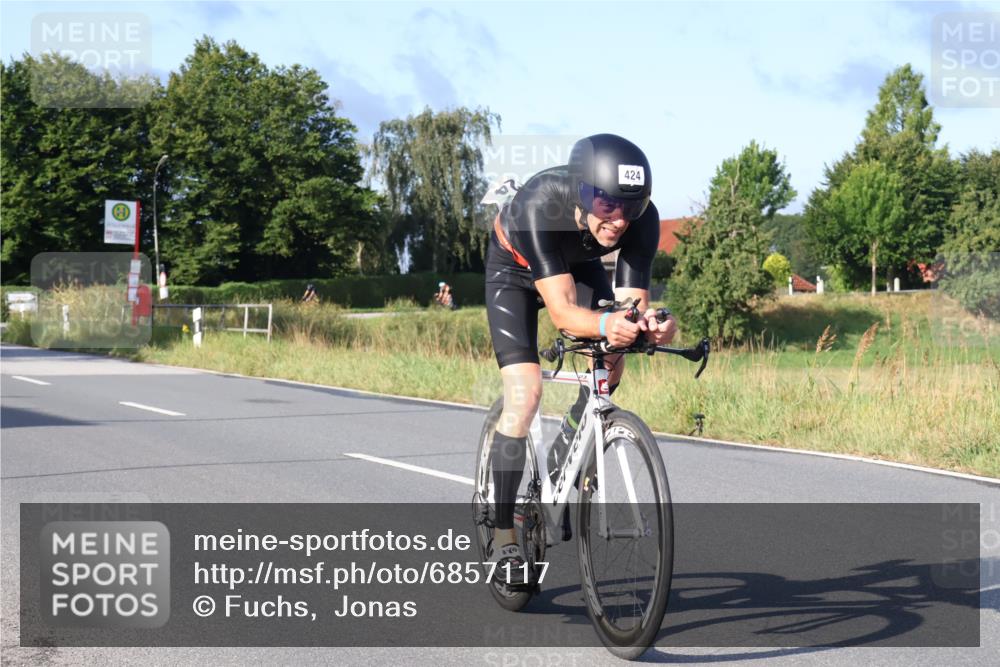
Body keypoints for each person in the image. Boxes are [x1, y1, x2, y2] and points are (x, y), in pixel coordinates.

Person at [483, 133, 678, 583]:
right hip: (513, 268)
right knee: (526, 394)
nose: (618, 221)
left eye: (630, 208)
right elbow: (565, 314)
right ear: (581, 193)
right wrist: (607, 324)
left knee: (614, 356)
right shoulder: (541, 203)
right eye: (607, 206)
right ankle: (502, 533)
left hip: (577, 262)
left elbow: (631, 306)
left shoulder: (641, 220)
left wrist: (650, 324)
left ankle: (560, 465)